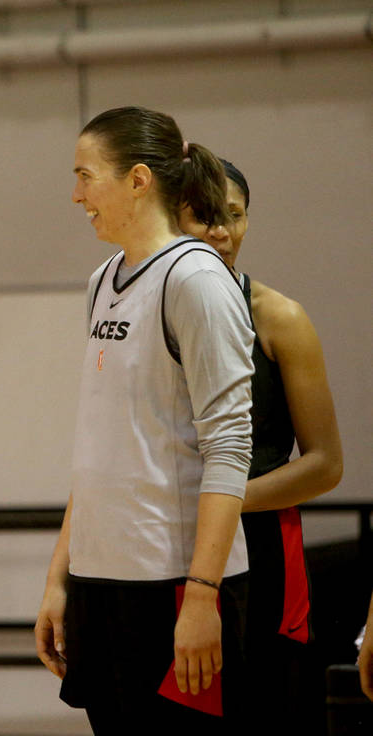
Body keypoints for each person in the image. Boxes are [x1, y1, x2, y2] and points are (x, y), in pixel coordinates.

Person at [35, 106, 255, 735]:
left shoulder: (196, 280)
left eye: (85, 176)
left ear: (138, 179)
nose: (76, 195)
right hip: (100, 583)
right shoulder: (103, 279)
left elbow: (229, 446)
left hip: (175, 587)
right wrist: (60, 580)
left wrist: (204, 595)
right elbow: (102, 446)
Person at [177, 159, 343, 731]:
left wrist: (222, 502)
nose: (221, 231)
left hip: (261, 542)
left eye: (235, 215)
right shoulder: (146, 314)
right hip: (167, 541)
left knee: (264, 709)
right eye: (203, 216)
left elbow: (325, 465)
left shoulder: (280, 318)